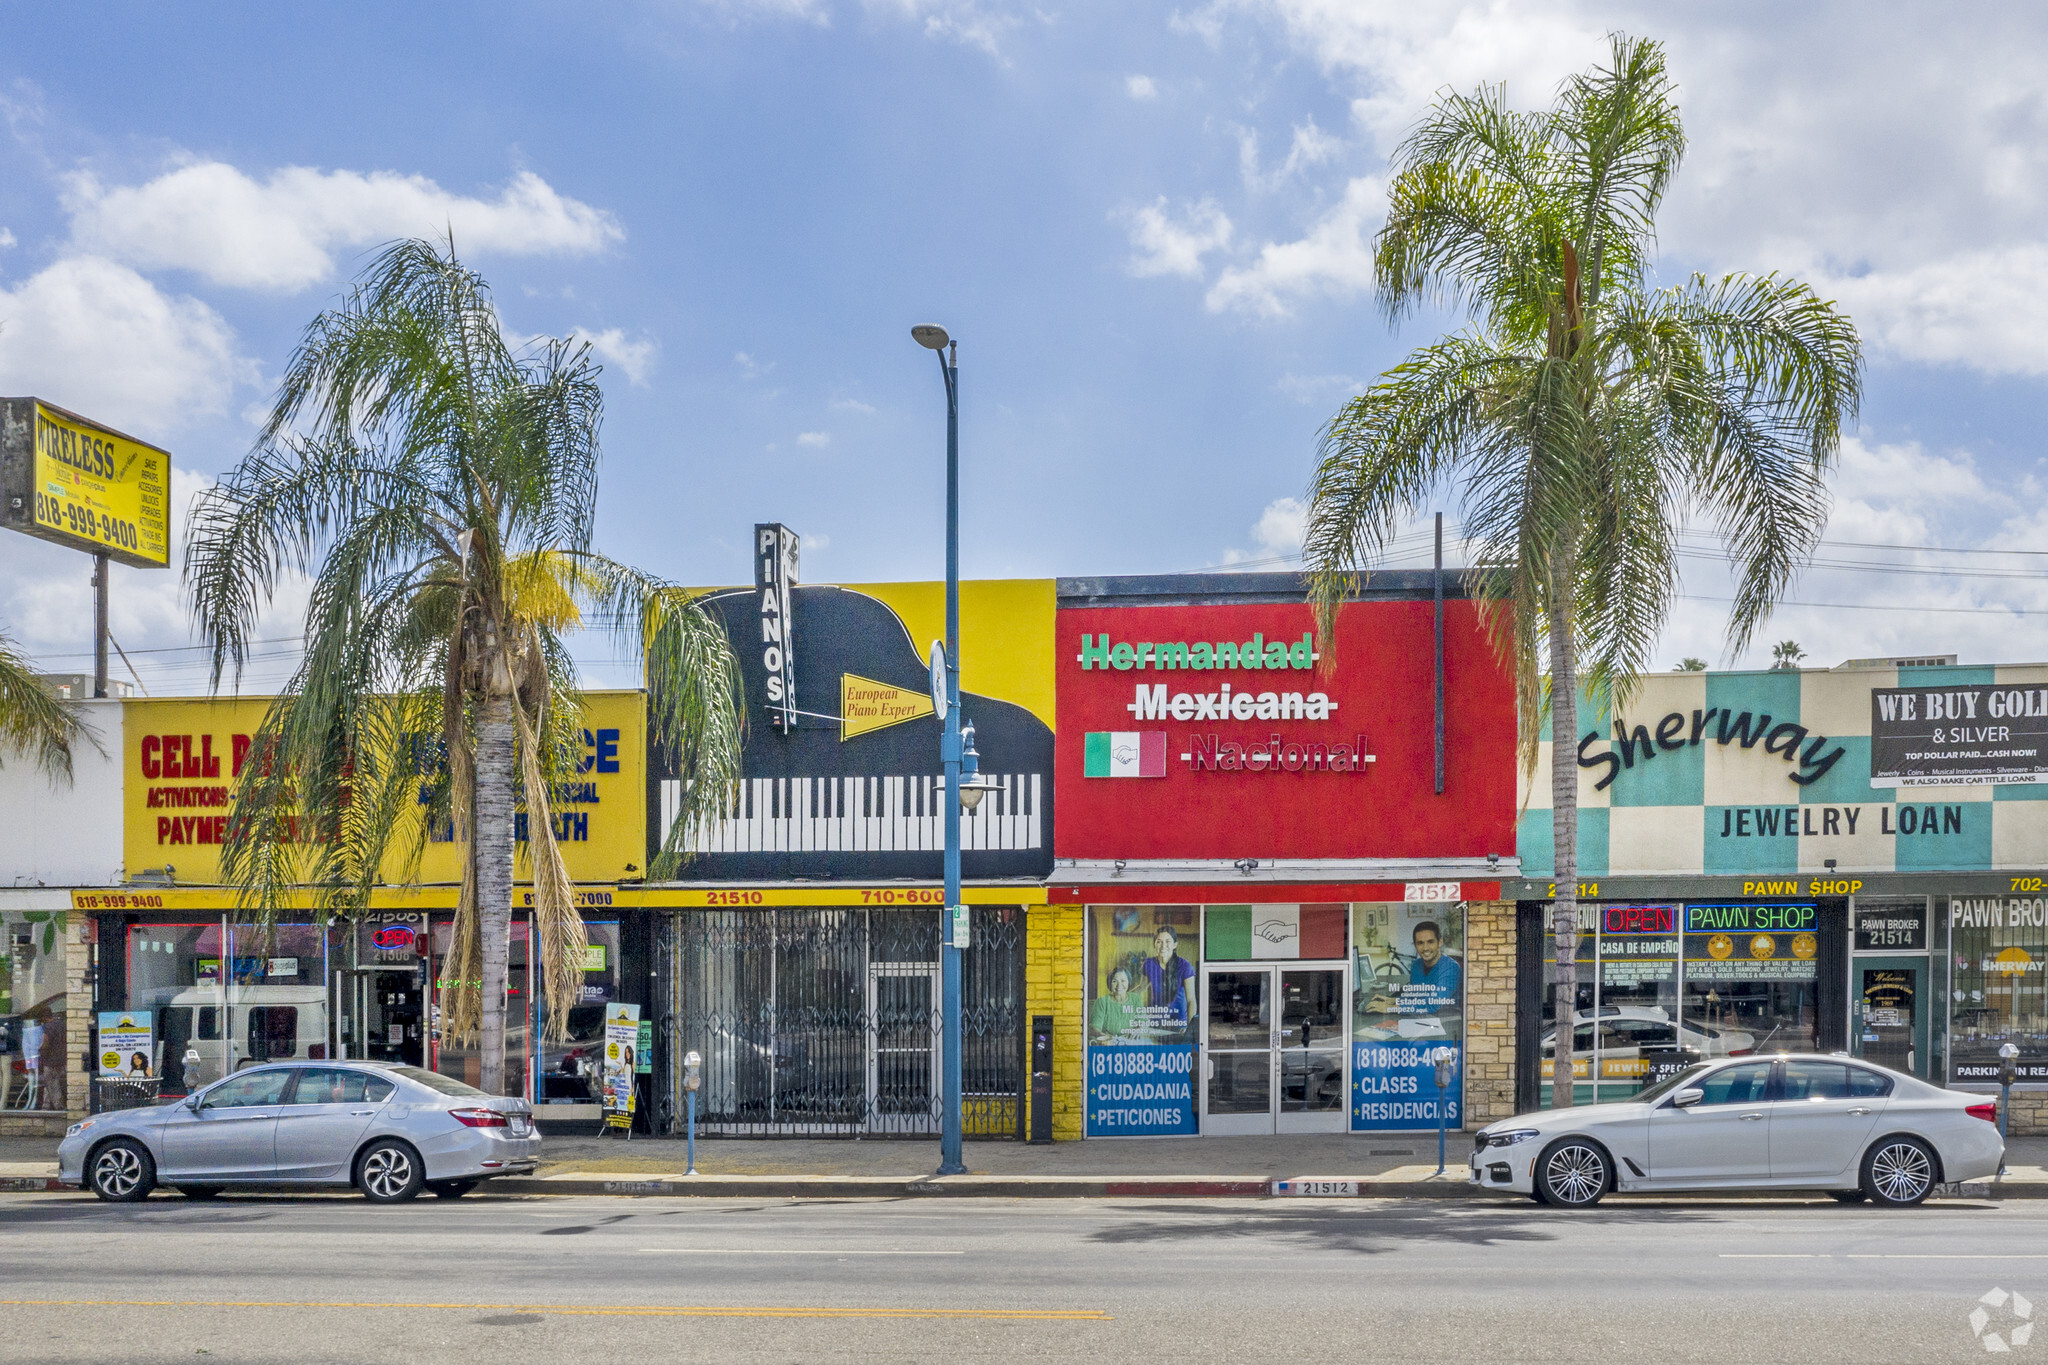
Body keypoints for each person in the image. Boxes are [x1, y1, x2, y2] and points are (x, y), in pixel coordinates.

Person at [1141, 926, 1197, 1040]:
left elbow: (1191, 1000)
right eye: (1159, 942)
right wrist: (1119, 994)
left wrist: (1189, 1027)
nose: (1163, 946)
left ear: (1175, 945)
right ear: (1154, 944)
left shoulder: (1185, 966)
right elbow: (1140, 988)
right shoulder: (1148, 964)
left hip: (1179, 1025)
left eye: (1168, 942)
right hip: (1156, 1024)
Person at [1089, 966, 1142, 1043]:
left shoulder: (1136, 999)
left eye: (1123, 981)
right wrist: (1104, 1036)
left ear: (1128, 982)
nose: (1119, 985)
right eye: (1114, 981)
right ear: (1110, 983)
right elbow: (1094, 1028)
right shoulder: (1102, 1002)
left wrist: (1139, 1029)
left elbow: (1143, 1021)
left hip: (1131, 1043)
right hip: (1108, 1044)